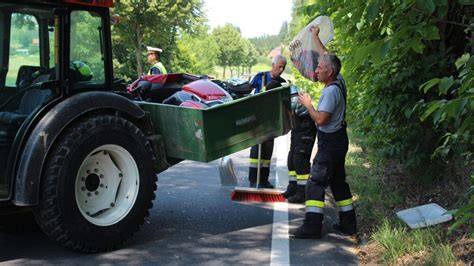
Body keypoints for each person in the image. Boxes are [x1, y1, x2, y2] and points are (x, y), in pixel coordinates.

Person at [289, 27, 357, 239]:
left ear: (330, 72)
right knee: (338, 182)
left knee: (315, 182)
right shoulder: (339, 80)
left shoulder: (330, 92)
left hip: (331, 144)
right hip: (339, 141)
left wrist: (308, 104)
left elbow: (320, 119)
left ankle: (312, 226)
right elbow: (327, 56)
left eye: (319, 68)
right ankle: (348, 224)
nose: (315, 71)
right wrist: (316, 37)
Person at [247, 55, 287, 188]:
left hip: (271, 122)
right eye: (279, 66)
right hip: (258, 120)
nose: (281, 70)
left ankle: (264, 179)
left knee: (267, 151)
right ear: (273, 65)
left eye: (283, 67)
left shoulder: (282, 82)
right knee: (256, 150)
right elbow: (248, 91)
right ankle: (253, 179)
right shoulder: (260, 77)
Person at [281, 85, 317, 203]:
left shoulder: (293, 96)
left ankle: (302, 193)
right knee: (292, 160)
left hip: (306, 126)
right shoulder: (285, 93)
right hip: (297, 125)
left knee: (300, 161)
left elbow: (294, 107)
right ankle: (292, 188)